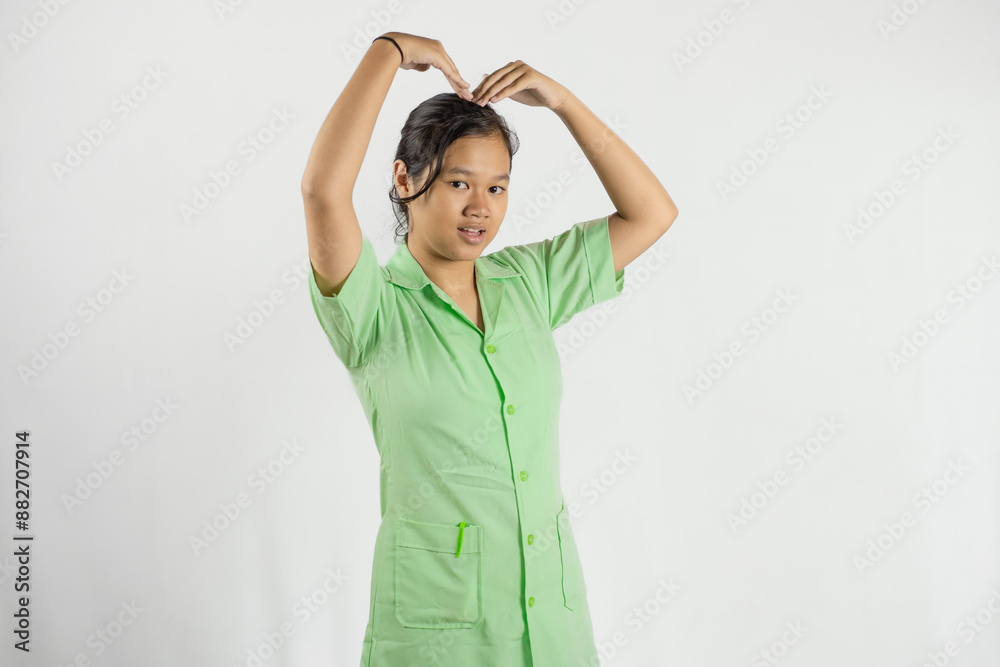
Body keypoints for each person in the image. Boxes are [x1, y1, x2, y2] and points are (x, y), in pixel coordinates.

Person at [300, 31, 678, 666]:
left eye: (497, 188)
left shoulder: (527, 282)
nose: (480, 208)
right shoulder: (373, 307)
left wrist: (562, 102)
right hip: (438, 639)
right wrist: (390, 51)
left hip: (552, 630)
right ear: (405, 179)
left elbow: (652, 214)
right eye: (459, 183)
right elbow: (321, 191)